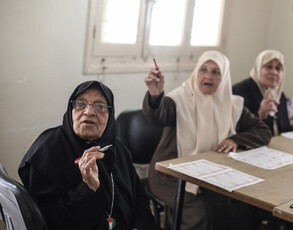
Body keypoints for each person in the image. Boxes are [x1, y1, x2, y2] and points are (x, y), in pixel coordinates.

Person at [143, 50, 272, 230]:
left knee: (238, 209)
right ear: (196, 72)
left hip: (210, 174)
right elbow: (158, 116)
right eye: (203, 69)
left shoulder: (232, 105)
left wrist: (235, 140)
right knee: (198, 215)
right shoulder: (179, 98)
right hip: (170, 174)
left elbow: (263, 131)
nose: (208, 76)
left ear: (224, 76)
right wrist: (156, 96)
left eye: (215, 72)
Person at [18, 81, 154, 230]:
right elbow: (44, 221)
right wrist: (87, 188)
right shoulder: (47, 151)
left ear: (110, 114)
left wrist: (138, 227)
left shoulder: (118, 149)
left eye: (100, 106)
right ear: (71, 109)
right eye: (81, 104)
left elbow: (140, 199)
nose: (89, 112)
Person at [232, 49, 293, 135]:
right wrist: (260, 114)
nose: (274, 72)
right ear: (258, 67)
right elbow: (237, 130)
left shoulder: (279, 95)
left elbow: (286, 130)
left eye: (278, 68)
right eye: (269, 67)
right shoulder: (241, 90)